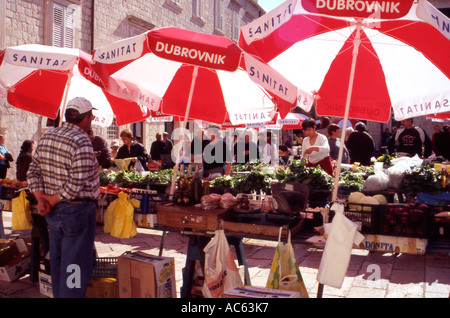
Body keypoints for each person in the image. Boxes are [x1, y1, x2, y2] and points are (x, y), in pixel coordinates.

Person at [27, 97, 100, 298]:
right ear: (85, 119)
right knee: (74, 267)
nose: (92, 119)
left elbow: (33, 173)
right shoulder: (82, 140)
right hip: (76, 212)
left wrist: (42, 197)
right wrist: (48, 200)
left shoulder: (48, 136)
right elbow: (75, 185)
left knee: (59, 263)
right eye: (91, 116)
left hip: (55, 214)